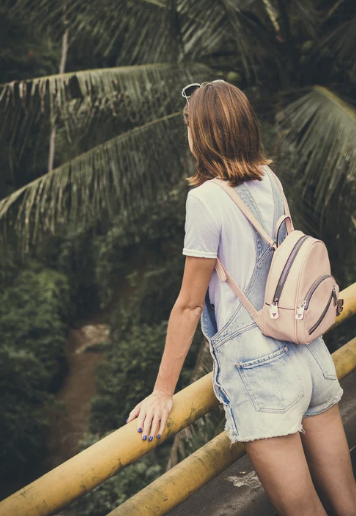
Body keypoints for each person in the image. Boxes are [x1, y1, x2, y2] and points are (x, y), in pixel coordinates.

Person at [126, 81, 356, 516]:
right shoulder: (270, 178)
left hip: (260, 374)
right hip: (309, 352)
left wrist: (161, 392)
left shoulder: (205, 201)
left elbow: (190, 304)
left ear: (201, 134)